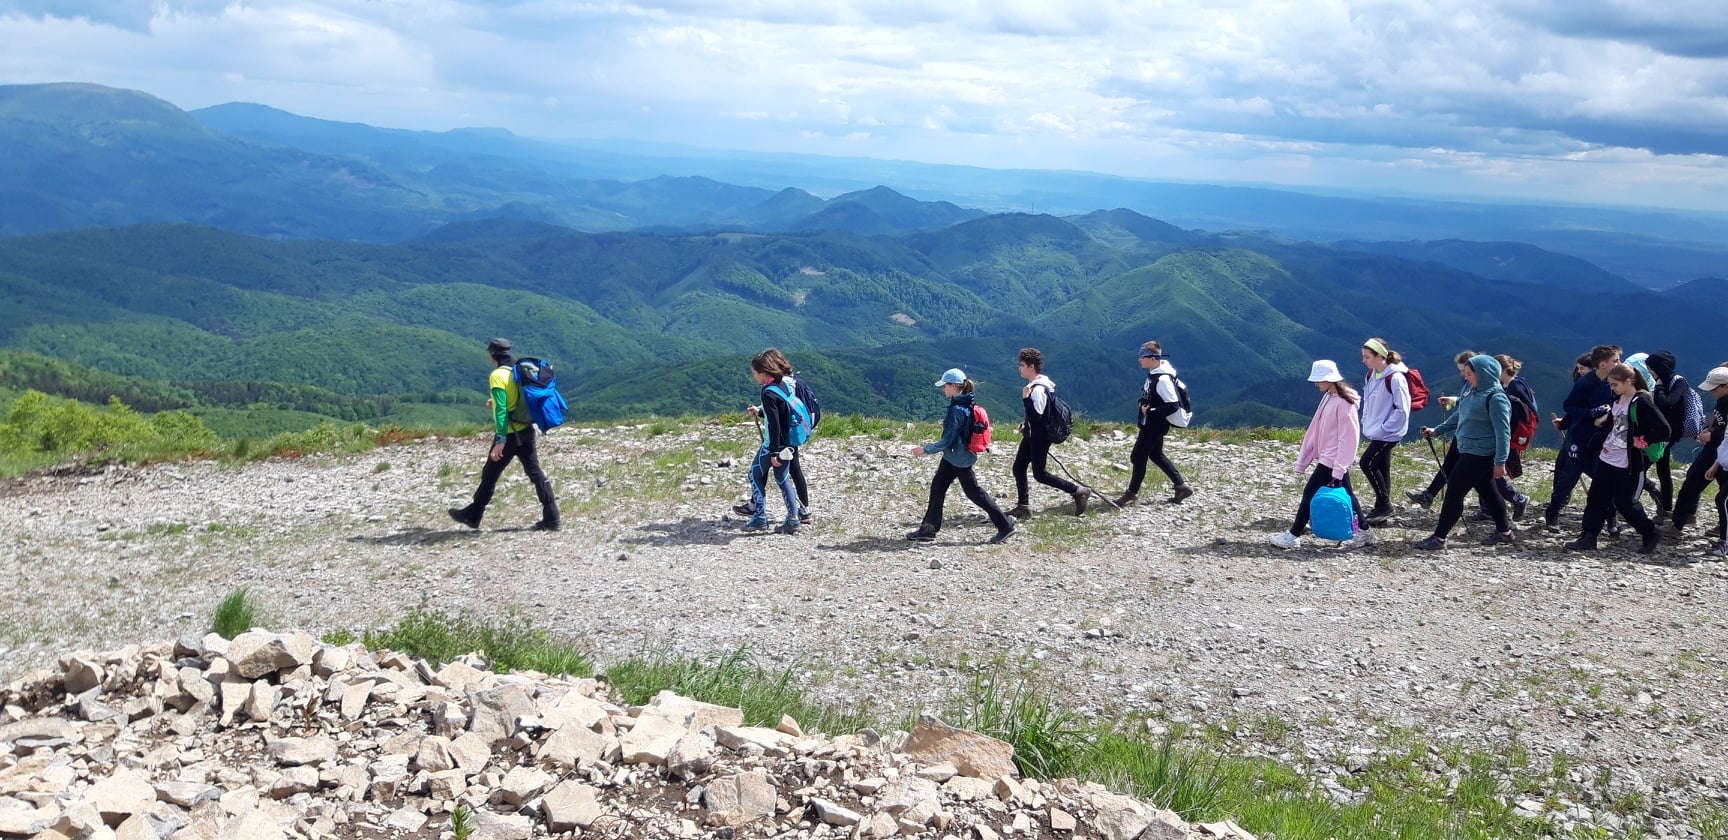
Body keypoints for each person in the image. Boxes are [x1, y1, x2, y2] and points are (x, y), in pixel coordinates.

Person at [448, 338, 560, 531]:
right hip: (526, 430)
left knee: (490, 475)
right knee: (535, 473)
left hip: (508, 434)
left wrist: (500, 440)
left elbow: (501, 410)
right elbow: (517, 400)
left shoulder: (497, 375)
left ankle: (473, 515)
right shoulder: (519, 371)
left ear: (493, 355)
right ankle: (552, 517)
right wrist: (495, 402)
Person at [1564, 363, 1669, 555]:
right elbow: (1614, 424)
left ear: (1628, 382)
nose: (1611, 388)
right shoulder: (1618, 398)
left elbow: (1664, 430)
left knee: (1624, 502)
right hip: (1607, 456)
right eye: (1610, 384)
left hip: (1628, 461)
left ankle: (1650, 532)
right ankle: (1588, 537)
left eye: (1615, 384)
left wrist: (1643, 440)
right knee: (1596, 497)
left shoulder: (1642, 402)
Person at [1415, 354, 1515, 550]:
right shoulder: (1472, 392)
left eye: (1469, 374)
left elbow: (1503, 432)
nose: (1466, 377)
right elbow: (1460, 414)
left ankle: (1439, 537)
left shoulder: (1496, 398)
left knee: (1454, 491)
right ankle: (1505, 532)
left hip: (1481, 454)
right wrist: (1437, 431)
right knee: (1488, 490)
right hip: (1469, 450)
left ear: (1483, 374)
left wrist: (1500, 462)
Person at [1269, 360, 1373, 549]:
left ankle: (1293, 535)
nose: (1316, 384)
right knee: (1347, 494)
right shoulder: (1330, 397)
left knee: (1310, 493)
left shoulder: (1343, 403)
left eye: (1318, 380)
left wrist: (1339, 466)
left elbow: (1348, 438)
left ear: (1328, 379)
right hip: (1331, 457)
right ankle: (1364, 531)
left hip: (1332, 459)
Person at [906, 368, 1015, 544]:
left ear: (954, 386)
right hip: (953, 457)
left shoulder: (958, 408)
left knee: (975, 493)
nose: (943, 389)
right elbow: (960, 429)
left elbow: (948, 440)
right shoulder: (965, 403)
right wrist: (948, 424)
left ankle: (1005, 526)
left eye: (945, 386)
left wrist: (925, 449)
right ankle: (928, 530)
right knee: (938, 488)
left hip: (959, 459)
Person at [1006, 348, 1089, 519]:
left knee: (1040, 474)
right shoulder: (1039, 385)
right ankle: (1023, 506)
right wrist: (1027, 427)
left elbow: (1038, 417)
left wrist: (1026, 399)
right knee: (1019, 467)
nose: (1020, 368)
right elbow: (1041, 415)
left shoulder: (1037, 390)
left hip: (1039, 438)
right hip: (1032, 435)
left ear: (1031, 367)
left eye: (1022, 365)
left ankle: (1078, 491)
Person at [1544, 345, 1620, 531]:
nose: (1619, 363)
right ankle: (1553, 512)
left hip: (1599, 438)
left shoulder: (1611, 383)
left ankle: (1611, 516)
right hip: (1579, 437)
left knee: (1603, 478)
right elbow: (1570, 406)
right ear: (1603, 364)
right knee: (1569, 477)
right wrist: (1591, 413)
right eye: (1615, 361)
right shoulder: (1585, 383)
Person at [735, 361, 819, 526]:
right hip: (788, 441)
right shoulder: (784, 385)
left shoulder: (768, 392)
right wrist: (760, 411)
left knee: (755, 474)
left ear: (763, 372)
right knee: (782, 478)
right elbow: (782, 413)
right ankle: (794, 518)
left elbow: (774, 424)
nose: (753, 376)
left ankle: (759, 516)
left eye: (754, 373)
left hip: (773, 444)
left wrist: (774, 451)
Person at [1114, 341, 1195, 507]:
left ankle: (1131, 493)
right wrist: (1142, 403)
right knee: (1156, 454)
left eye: (1142, 356)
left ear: (1153, 358)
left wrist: (1150, 412)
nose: (1139, 359)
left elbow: (1172, 405)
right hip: (1153, 423)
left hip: (1155, 425)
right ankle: (1181, 487)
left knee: (1138, 456)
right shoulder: (1155, 373)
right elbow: (1151, 395)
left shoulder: (1163, 379)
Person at [1405, 350, 1478, 509]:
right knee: (1451, 465)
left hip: (1473, 437)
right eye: (1461, 371)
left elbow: (1465, 411)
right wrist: (1455, 400)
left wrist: (1438, 430)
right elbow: (1467, 404)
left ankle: (1513, 500)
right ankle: (1429, 495)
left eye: (1465, 371)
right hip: (1464, 433)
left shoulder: (1479, 386)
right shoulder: (1471, 383)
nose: (1463, 375)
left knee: (1481, 478)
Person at [1358, 337, 1412, 523]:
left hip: (1390, 432)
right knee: (1382, 467)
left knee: (1367, 463)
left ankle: (1385, 505)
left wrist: (1384, 428)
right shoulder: (1371, 375)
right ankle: (1381, 509)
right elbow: (1368, 401)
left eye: (1367, 357)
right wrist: (1366, 421)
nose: (1363, 361)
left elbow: (1402, 410)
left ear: (1380, 356)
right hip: (1377, 429)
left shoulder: (1396, 378)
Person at [1672, 365, 1728, 542]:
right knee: (1691, 482)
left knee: (1723, 496)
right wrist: (1708, 431)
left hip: (1722, 453)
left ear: (1725, 386)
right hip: (1713, 451)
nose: (1711, 392)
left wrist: (1713, 436)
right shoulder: (1722, 400)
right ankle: (1679, 522)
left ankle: (1723, 531)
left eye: (1714, 388)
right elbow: (1718, 423)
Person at [1489, 354, 1538, 521]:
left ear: (1501, 369)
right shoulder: (1518, 384)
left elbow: (1512, 417)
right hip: (1512, 435)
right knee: (1487, 470)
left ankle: (1516, 498)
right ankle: (1489, 507)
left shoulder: (1513, 389)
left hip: (1508, 435)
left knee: (1490, 471)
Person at [1642, 351, 1689, 517]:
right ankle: (1666, 508)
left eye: (1651, 368)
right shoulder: (1668, 382)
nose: (1650, 372)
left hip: (1668, 434)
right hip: (1662, 432)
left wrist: (1659, 387)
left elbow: (1665, 403)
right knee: (1663, 470)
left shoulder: (1678, 382)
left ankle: (1662, 505)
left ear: (1660, 368)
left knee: (1642, 467)